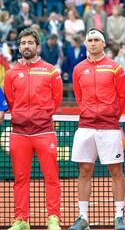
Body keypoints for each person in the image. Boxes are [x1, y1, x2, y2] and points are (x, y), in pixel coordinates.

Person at [68, 28, 125, 230]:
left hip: (109, 127)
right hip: (85, 126)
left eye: (96, 40)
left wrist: (110, 116)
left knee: (116, 170)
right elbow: (78, 96)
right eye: (90, 40)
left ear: (104, 44)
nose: (93, 43)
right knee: (84, 170)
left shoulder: (115, 68)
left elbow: (121, 98)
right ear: (86, 44)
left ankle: (119, 216)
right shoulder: (78, 69)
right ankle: (83, 217)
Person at [3, 28, 63, 230]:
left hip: (44, 131)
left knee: (51, 177)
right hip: (19, 133)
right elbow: (11, 101)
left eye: (30, 43)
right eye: (23, 43)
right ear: (19, 47)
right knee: (20, 179)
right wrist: (22, 116)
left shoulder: (51, 70)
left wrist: (42, 115)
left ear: (38, 46)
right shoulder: (11, 74)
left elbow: (57, 99)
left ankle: (53, 218)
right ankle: (21, 220)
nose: (26, 46)